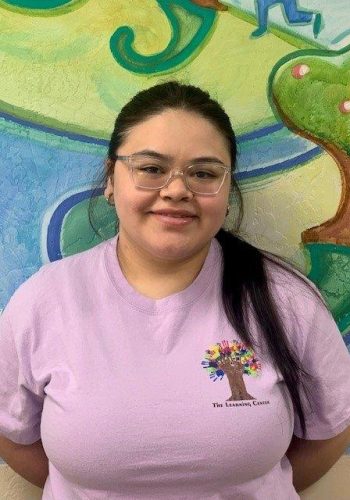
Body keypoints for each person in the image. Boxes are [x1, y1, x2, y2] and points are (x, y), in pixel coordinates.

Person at [0, 81, 349, 499]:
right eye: (151, 168)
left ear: (227, 190)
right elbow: (13, 433)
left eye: (203, 173)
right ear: (111, 180)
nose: (177, 189)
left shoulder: (287, 300)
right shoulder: (44, 302)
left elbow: (329, 432)